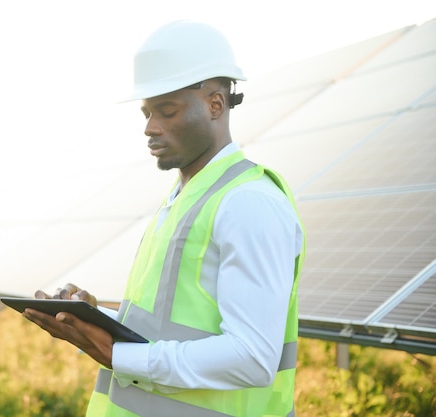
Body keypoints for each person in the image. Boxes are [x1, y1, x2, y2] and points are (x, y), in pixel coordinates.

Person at [22, 20, 305, 417]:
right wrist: (99, 319)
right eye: (146, 112)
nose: (149, 128)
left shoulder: (248, 203)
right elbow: (170, 326)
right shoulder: (185, 198)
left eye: (166, 111)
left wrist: (116, 353)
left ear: (215, 104)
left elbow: (252, 358)